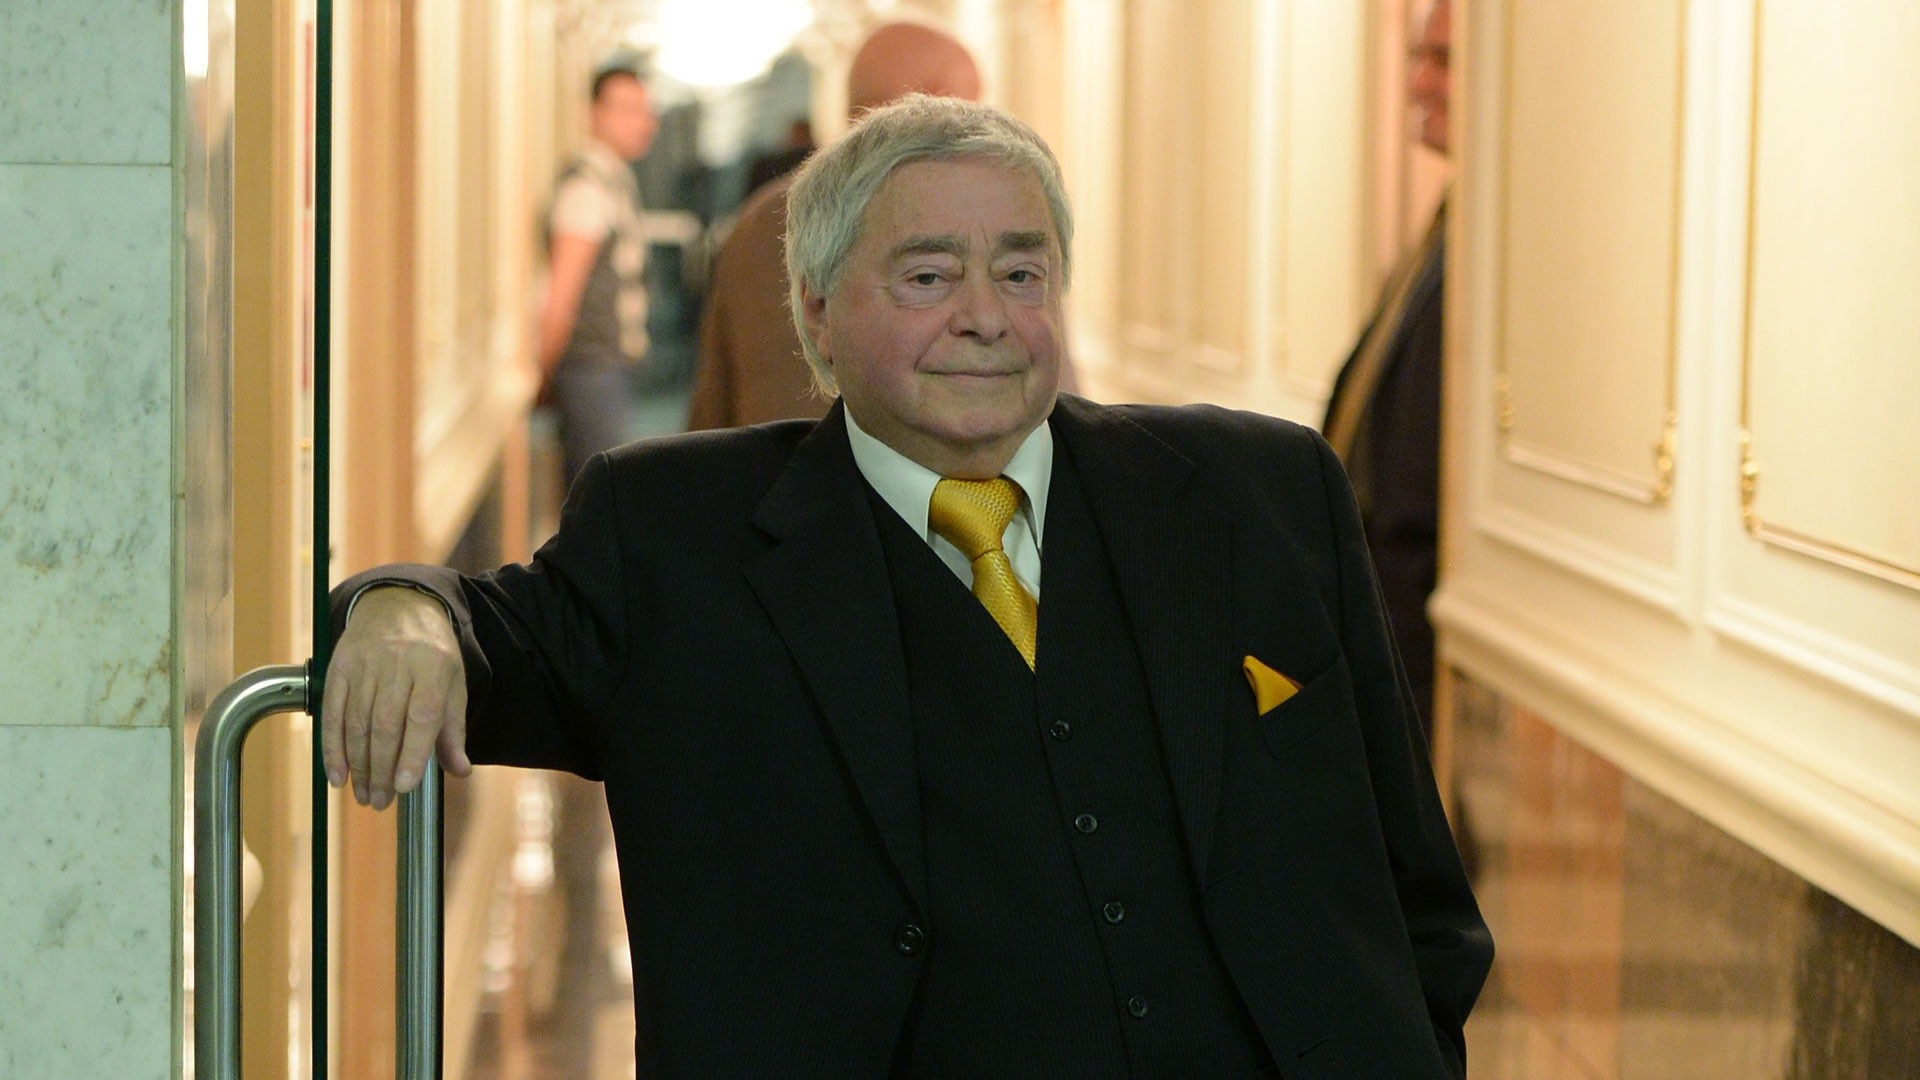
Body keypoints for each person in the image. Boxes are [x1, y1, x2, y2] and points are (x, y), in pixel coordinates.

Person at [324, 95, 1491, 1077]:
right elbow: (496, 634)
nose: (984, 317)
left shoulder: (1262, 493)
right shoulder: (675, 536)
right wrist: (404, 608)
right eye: (928, 276)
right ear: (818, 316)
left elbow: (1415, 880)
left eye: (1021, 272)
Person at [683, 21, 984, 431]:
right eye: (972, 110)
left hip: (765, 468)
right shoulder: (964, 225)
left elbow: (711, 403)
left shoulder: (759, 219)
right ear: (929, 108)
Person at [1321, 0, 1451, 734]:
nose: (1418, 83)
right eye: (1418, 57)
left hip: (1416, 637)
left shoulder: (1487, 245)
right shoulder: (1443, 228)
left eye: (1445, 62)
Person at [539, 62, 659, 483]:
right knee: (597, 491)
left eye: (646, 111)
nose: (642, 123)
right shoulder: (588, 186)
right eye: (627, 109)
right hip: (590, 369)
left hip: (605, 367)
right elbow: (562, 291)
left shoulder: (612, 179)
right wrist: (543, 372)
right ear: (593, 113)